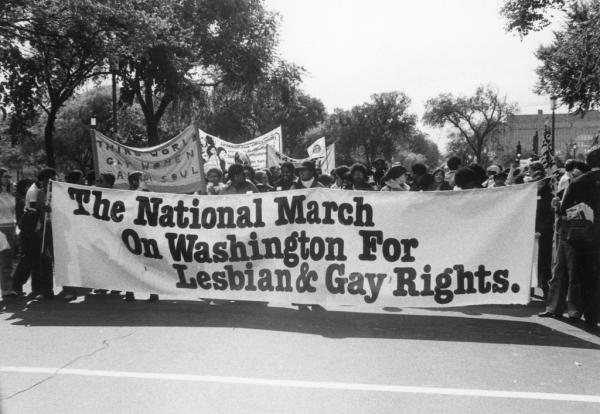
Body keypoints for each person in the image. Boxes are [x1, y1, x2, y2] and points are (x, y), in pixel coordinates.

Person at [541, 146, 600, 327]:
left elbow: (563, 208)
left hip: (580, 233)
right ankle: (582, 311)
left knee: (577, 273)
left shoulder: (579, 182)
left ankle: (584, 314)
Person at [13, 168, 56, 299]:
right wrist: (44, 209)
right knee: (36, 259)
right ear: (46, 179)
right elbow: (33, 211)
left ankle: (38, 289)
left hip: (37, 230)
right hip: (34, 231)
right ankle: (24, 286)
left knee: (37, 260)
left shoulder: (41, 191)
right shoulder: (35, 192)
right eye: (53, 178)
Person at [0, 172, 16, 299]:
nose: (8, 179)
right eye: (5, 176)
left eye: (9, 177)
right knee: (4, 260)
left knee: (8, 260)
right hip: (1, 229)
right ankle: (6, 289)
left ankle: (7, 288)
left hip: (11, 227)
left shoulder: (11, 192)